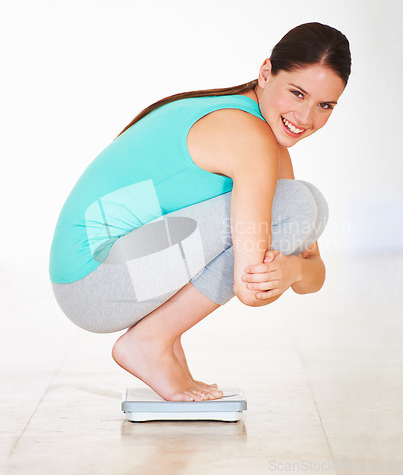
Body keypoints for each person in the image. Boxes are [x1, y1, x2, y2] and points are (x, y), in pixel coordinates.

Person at [49, 22, 351, 402]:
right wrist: (284, 271)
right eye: (297, 93)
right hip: (92, 282)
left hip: (106, 273)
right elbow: (250, 288)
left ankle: (158, 338)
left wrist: (292, 269)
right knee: (298, 203)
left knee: (304, 201)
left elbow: (312, 277)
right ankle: (152, 340)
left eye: (325, 105)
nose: (306, 117)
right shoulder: (248, 136)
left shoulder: (267, 142)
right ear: (265, 73)